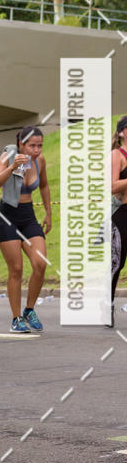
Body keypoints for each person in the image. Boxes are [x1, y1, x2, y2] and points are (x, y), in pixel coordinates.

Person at [0, 126, 51, 333]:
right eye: (32, 145)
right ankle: (16, 319)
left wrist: (48, 213)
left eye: (39, 145)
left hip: (28, 216)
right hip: (7, 216)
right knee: (16, 269)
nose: (36, 150)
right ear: (21, 144)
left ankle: (29, 310)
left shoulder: (39, 161)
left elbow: (43, 186)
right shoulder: (8, 156)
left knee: (40, 264)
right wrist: (12, 167)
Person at [110, 115, 127, 322]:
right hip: (121, 213)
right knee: (117, 263)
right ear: (122, 132)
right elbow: (113, 186)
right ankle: (108, 304)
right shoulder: (117, 154)